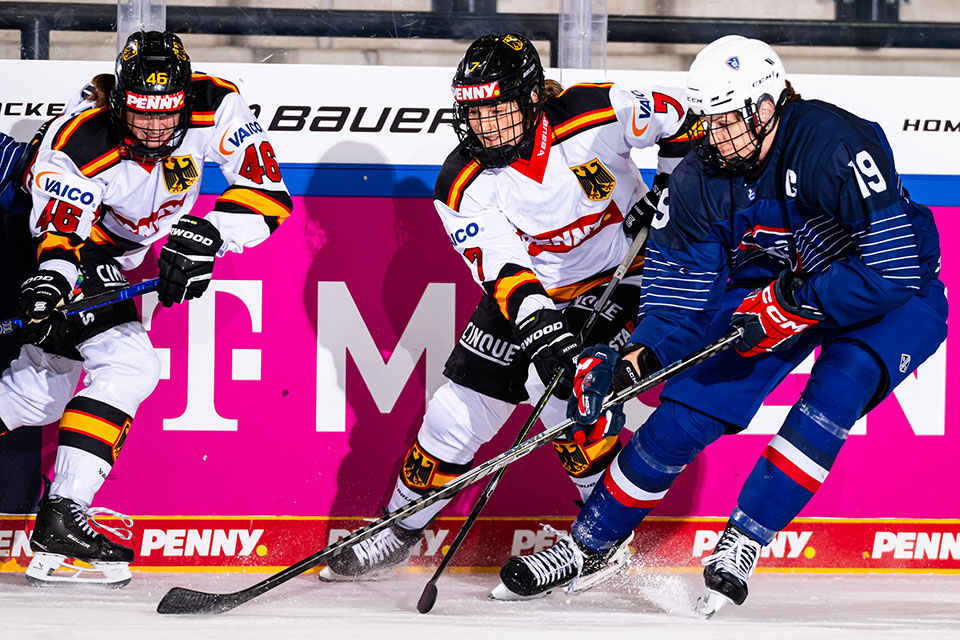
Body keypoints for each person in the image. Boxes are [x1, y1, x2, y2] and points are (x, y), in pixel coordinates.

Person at [494, 34, 947, 616]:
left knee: (839, 388)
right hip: (776, 285)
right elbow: (680, 300)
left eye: (728, 118)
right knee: (683, 414)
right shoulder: (699, 179)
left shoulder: (834, 143)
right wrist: (633, 359)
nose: (713, 134)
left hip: (887, 291)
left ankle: (745, 538)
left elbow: (893, 267)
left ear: (767, 106)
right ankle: (589, 544)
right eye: (708, 118)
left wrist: (794, 301)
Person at [320, 33, 696, 588]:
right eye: (473, 112)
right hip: (531, 293)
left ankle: (602, 540)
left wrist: (669, 185)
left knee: (573, 400)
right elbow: (507, 274)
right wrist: (548, 338)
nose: (484, 126)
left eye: (496, 109)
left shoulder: (595, 112)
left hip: (621, 276)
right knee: (454, 413)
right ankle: (398, 530)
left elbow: (685, 117)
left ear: (530, 99)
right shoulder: (460, 182)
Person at [0, 30, 292, 587]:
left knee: (44, 389)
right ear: (117, 103)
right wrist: (51, 283)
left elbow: (268, 193)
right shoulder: (80, 138)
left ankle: (59, 523)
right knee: (130, 364)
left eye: (167, 116)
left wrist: (208, 234)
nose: (156, 130)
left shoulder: (217, 103)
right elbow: (61, 239)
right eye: (141, 116)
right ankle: (61, 520)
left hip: (115, 248)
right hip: (52, 240)